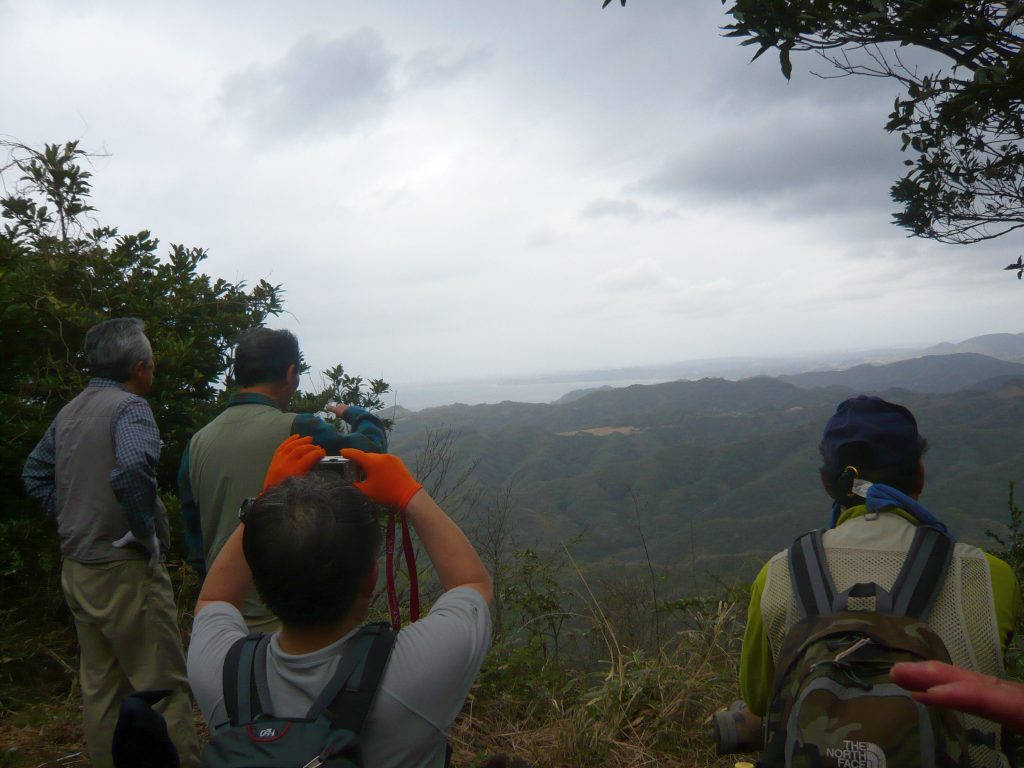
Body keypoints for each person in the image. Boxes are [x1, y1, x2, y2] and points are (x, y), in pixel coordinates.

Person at [738, 395, 1021, 766]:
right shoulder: (989, 575)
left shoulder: (778, 573)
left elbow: (758, 699)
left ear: (827, 484)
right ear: (919, 474)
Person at [186, 435, 493, 768]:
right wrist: (408, 493)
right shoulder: (421, 668)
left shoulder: (221, 674)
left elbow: (216, 596)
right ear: (371, 579)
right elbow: (472, 583)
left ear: (257, 579)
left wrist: (265, 501)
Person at [21, 318, 199, 768]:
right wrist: (141, 530)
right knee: (163, 686)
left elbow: (35, 473)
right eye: (152, 360)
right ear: (140, 367)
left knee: (100, 688)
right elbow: (132, 467)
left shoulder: (72, 410)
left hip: (77, 566)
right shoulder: (129, 408)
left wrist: (71, 516)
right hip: (124, 571)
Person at [178, 327, 388, 632]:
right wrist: (359, 415)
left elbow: (194, 538)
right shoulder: (299, 428)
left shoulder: (197, 442)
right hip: (288, 619)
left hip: (220, 617)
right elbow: (371, 452)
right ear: (291, 373)